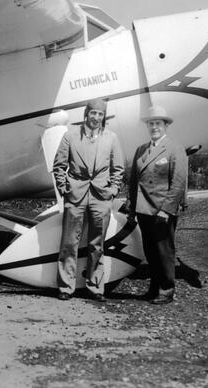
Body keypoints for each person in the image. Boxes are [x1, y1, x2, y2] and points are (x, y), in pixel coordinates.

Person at [53, 98, 124, 301]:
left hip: (101, 197)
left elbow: (118, 168)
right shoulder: (70, 136)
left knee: (97, 244)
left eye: (100, 114)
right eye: (93, 113)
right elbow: (59, 166)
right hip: (75, 195)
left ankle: (95, 287)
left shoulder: (111, 138)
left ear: (104, 117)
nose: (96, 118)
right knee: (69, 242)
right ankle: (66, 287)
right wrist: (64, 186)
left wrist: (113, 190)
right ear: (86, 114)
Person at [126, 105, 188, 304]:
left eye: (158, 124)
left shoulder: (175, 148)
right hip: (144, 209)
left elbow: (178, 183)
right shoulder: (141, 150)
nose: (154, 127)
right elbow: (134, 182)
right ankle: (154, 288)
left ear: (166, 126)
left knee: (164, 251)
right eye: (151, 124)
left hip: (162, 210)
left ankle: (167, 289)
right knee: (150, 251)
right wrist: (131, 208)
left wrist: (167, 210)